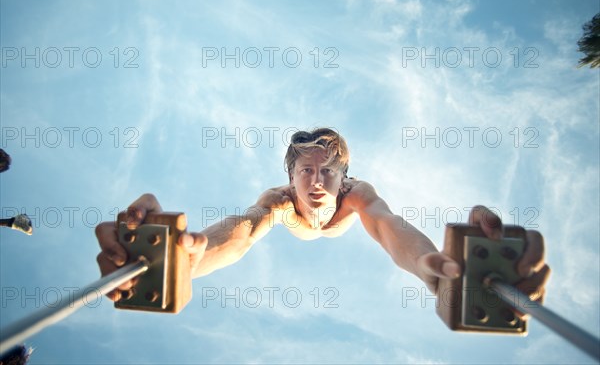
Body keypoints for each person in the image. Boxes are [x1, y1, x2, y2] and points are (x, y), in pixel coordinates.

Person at [95, 128, 550, 306]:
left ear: (343, 177)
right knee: (256, 217)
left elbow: (390, 229)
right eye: (306, 170)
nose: (317, 180)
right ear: (290, 178)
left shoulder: (356, 194)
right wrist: (188, 258)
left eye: (328, 171)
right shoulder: (278, 200)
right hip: (291, 226)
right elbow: (244, 232)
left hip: (339, 228)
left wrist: (436, 268)